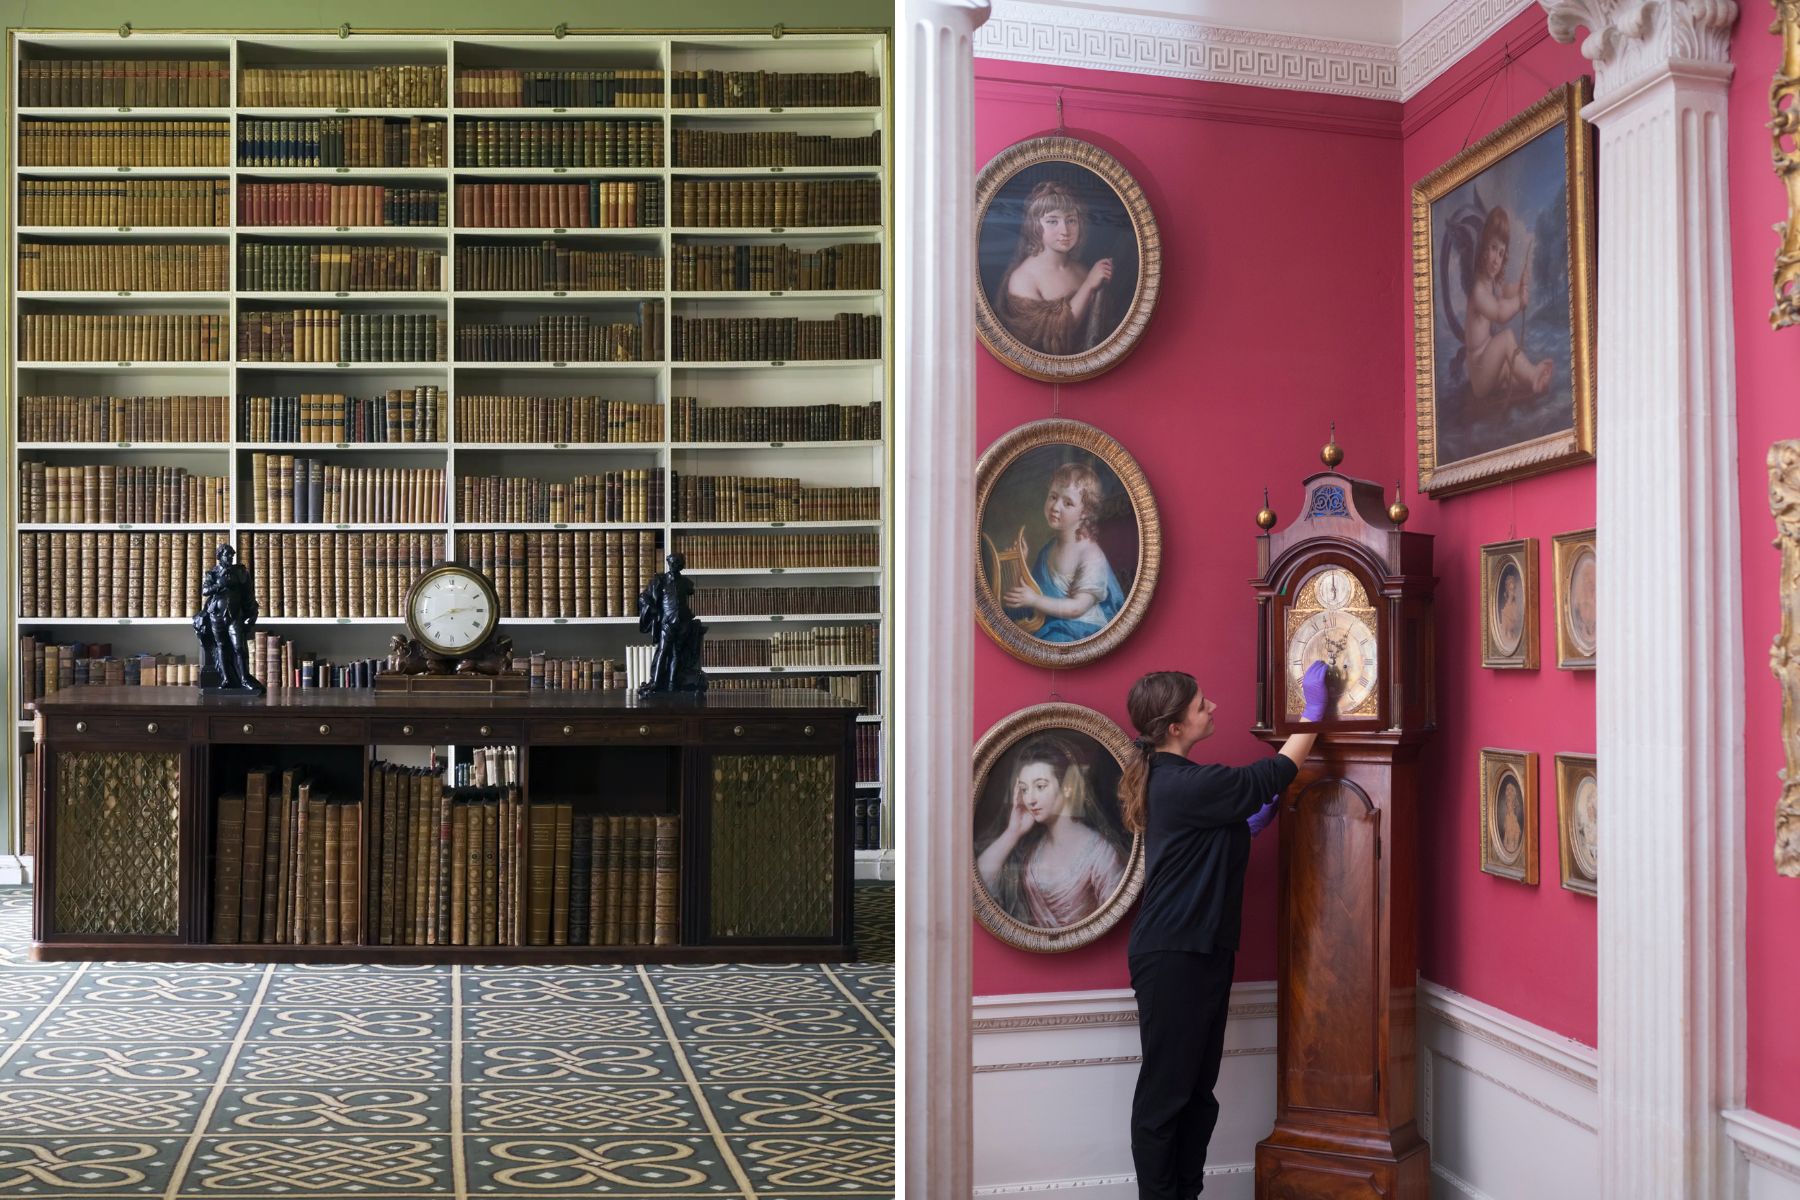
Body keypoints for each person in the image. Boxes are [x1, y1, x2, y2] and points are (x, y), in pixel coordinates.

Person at [1118, 660, 1329, 1199]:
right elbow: (1269, 775)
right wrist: (1312, 716)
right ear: (1174, 727)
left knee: (1196, 1093)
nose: (1212, 708)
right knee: (1167, 1096)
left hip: (1200, 950)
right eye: (1200, 705)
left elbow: (1215, 830)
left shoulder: (1182, 783)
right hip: (1174, 954)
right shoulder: (1182, 781)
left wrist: (1244, 824)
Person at [976, 733, 1128, 928]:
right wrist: (1013, 832)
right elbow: (980, 885)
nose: (1030, 799)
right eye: (1024, 789)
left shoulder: (1100, 853)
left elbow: (1114, 916)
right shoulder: (1031, 849)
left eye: (1040, 786)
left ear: (1066, 787)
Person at [1001, 461, 1126, 643]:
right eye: (1053, 497)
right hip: (1053, 620)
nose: (1055, 507)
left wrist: (1034, 601)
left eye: (1068, 503)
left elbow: (1077, 608)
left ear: (1085, 512)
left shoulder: (1090, 555)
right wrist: (1022, 562)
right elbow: (1038, 590)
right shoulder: (1048, 549)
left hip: (1081, 629)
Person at [994, 178, 1115, 356]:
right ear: (1035, 226)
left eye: (1071, 220)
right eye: (1052, 221)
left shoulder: (1081, 269)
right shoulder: (1023, 278)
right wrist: (1089, 285)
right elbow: (1052, 335)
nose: (1065, 231)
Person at [1464, 206, 1553, 402]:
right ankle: (1533, 376)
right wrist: (1520, 301)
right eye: (1493, 248)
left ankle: (1532, 380)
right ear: (1483, 248)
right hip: (1479, 374)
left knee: (1509, 369)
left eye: (1501, 253)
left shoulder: (1492, 283)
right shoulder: (1478, 291)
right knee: (1506, 339)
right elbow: (1499, 313)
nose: (1497, 259)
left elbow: (1504, 291)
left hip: (1489, 363)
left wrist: (1520, 285)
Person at [195, 543, 264, 693]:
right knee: (221, 646)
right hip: (216, 616)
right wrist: (219, 585)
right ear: (219, 557)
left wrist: (252, 613)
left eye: (232, 555)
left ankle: (244, 678)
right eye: (227, 555)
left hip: (234, 616)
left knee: (239, 647)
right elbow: (205, 590)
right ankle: (226, 678)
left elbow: (248, 594)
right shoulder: (212, 573)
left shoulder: (239, 572)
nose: (231, 558)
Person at [1493, 565, 1523, 654]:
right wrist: (1510, 598)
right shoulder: (1509, 593)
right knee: (1506, 614)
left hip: (1512, 607)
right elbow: (1508, 600)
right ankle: (1507, 633)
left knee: (1510, 616)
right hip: (1509, 607)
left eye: (1512, 583)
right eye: (1510, 583)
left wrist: (1513, 597)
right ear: (1508, 585)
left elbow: (1514, 600)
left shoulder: (1513, 593)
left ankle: (1510, 633)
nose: (1512, 585)